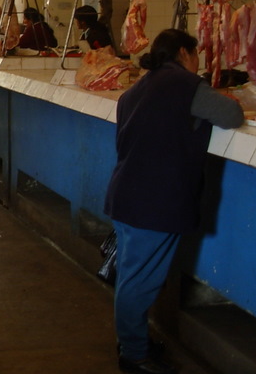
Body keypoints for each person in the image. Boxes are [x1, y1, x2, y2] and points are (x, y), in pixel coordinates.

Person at [104, 29, 243, 374]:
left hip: (126, 196)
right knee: (139, 282)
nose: (198, 63)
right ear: (184, 53)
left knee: (132, 278)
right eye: (196, 55)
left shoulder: (134, 91)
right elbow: (231, 116)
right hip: (154, 203)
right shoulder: (186, 86)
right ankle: (134, 356)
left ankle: (133, 342)